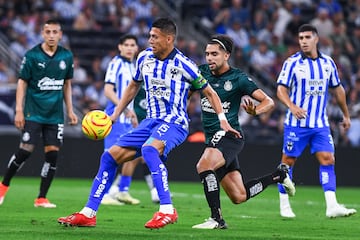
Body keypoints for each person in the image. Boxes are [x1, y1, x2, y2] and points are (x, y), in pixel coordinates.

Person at [57, 17, 240, 229]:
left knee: (149, 150)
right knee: (110, 156)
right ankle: (88, 213)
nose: (150, 40)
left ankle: (167, 210)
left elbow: (210, 92)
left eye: (155, 37)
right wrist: (115, 115)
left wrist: (223, 121)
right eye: (150, 36)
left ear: (169, 39)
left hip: (175, 123)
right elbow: (133, 86)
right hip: (149, 122)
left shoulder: (184, 64)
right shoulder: (144, 58)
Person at [191, 35, 295, 229]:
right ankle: (279, 175)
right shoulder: (201, 72)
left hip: (230, 136)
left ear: (227, 55)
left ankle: (216, 219)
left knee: (204, 166)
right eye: (207, 54)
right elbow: (186, 93)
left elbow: (269, 101)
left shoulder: (238, 79)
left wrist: (256, 111)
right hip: (212, 138)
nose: (209, 58)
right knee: (239, 196)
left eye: (214, 54)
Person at [276, 24, 357, 218]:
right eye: (301, 38)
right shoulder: (292, 63)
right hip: (296, 125)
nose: (303, 41)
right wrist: (292, 107)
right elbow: (280, 89)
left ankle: (332, 206)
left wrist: (346, 115)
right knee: (287, 162)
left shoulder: (328, 63)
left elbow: (338, 90)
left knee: (328, 159)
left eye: (307, 37)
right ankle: (284, 205)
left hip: (320, 124)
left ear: (316, 39)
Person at [0, 19, 78, 208]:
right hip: (34, 112)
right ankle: (3, 187)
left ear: (60, 34)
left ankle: (41, 198)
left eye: (55, 32)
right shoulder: (32, 55)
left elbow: (67, 84)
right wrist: (19, 110)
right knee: (25, 151)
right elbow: (22, 82)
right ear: (42, 34)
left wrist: (71, 109)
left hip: (55, 115)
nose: (51, 36)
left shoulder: (66, 56)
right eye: (48, 32)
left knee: (52, 155)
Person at [100, 34, 158, 206]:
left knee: (133, 154)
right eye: (126, 44)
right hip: (115, 116)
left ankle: (123, 191)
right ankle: (104, 193)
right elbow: (108, 90)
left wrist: (131, 113)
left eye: (133, 45)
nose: (130, 48)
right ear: (120, 47)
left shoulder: (133, 66)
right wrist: (123, 109)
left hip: (127, 117)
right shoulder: (115, 63)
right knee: (112, 156)